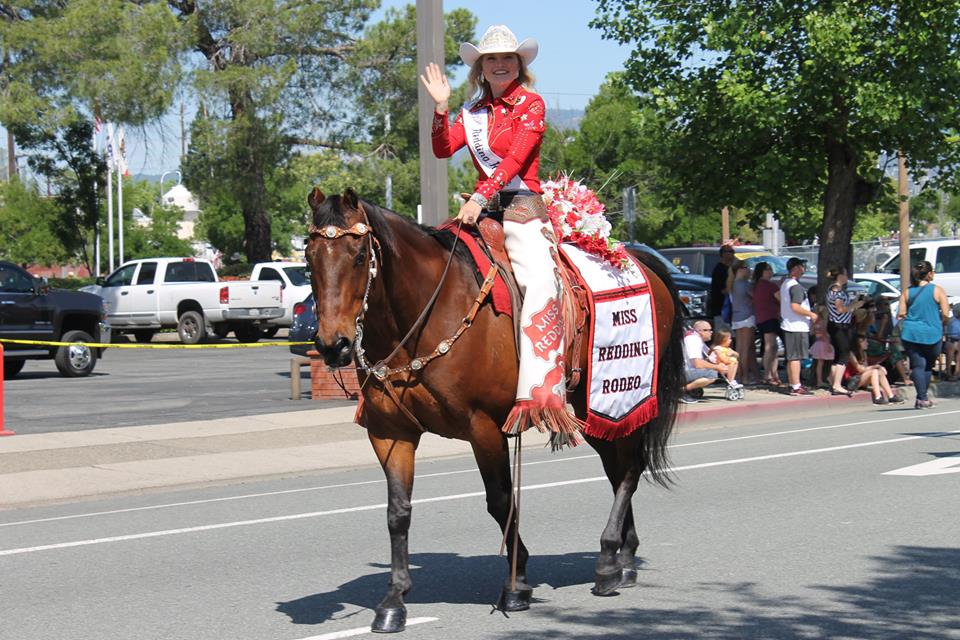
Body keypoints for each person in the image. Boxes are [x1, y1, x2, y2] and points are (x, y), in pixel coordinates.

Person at [421, 25, 578, 437]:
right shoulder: (471, 113)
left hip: (523, 205)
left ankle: (541, 390)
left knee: (540, 282)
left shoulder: (532, 104)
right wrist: (441, 108)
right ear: (481, 68)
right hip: (481, 209)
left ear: (520, 65)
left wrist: (480, 196)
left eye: (508, 57)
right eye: (492, 59)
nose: (501, 63)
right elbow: (442, 149)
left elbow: (514, 160)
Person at [897, 260, 952, 409]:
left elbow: (901, 314)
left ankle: (922, 397)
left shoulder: (907, 292)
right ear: (928, 274)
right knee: (927, 365)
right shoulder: (937, 290)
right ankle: (922, 397)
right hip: (932, 333)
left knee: (918, 365)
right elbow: (946, 314)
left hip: (910, 333)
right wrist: (942, 322)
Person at [780, 257, 818, 396]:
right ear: (795, 269)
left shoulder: (785, 283)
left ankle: (793, 384)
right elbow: (795, 306)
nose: (803, 268)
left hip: (789, 324)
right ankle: (796, 386)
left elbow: (780, 297)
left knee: (792, 357)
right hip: (796, 326)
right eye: (801, 266)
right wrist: (811, 314)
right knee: (795, 357)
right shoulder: (795, 286)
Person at [824, 266, 864, 397]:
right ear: (840, 276)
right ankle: (837, 385)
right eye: (845, 274)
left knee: (838, 355)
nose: (847, 277)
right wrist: (855, 305)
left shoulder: (835, 290)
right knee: (843, 355)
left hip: (837, 325)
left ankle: (833, 379)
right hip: (840, 326)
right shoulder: (837, 292)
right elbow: (841, 309)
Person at [843, 336, 905, 405]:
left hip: (862, 379)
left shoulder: (864, 353)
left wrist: (879, 368)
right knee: (874, 371)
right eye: (865, 341)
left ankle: (891, 396)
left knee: (879, 372)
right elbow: (860, 369)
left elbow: (866, 368)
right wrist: (876, 366)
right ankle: (878, 397)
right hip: (852, 381)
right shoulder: (851, 354)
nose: (867, 343)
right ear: (858, 343)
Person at [682, 320, 729, 403]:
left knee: (712, 370)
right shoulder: (693, 340)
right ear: (701, 331)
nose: (711, 332)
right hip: (684, 370)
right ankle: (681, 391)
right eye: (709, 330)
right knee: (712, 374)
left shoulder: (697, 339)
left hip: (687, 369)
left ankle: (690, 388)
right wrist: (717, 367)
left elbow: (709, 354)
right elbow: (697, 363)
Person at [727, 260, 759, 384]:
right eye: (747, 268)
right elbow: (755, 297)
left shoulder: (732, 283)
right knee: (745, 348)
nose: (749, 270)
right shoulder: (745, 284)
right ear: (741, 269)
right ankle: (744, 376)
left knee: (739, 347)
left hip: (736, 316)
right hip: (747, 316)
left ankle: (738, 375)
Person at [752, 261, 782, 386]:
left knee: (773, 347)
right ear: (762, 272)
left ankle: (774, 374)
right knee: (770, 346)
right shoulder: (770, 286)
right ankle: (768, 375)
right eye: (768, 269)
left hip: (761, 318)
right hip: (770, 317)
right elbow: (781, 299)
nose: (771, 272)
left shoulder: (757, 286)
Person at [710, 329, 744, 397]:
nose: (730, 340)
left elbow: (737, 355)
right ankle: (730, 381)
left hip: (726, 365)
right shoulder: (718, 349)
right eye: (729, 339)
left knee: (735, 361)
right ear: (722, 339)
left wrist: (733, 353)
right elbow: (724, 360)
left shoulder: (727, 348)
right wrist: (729, 357)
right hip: (719, 365)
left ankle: (731, 380)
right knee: (732, 361)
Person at [709, 244, 736, 329]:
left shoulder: (730, 269)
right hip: (721, 308)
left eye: (733, 252)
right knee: (722, 334)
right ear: (723, 254)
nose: (733, 254)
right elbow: (722, 290)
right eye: (730, 252)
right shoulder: (719, 270)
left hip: (730, 310)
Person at [809, 305, 834, 389]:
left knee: (820, 363)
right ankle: (829, 377)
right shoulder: (823, 321)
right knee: (832, 360)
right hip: (824, 343)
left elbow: (811, 332)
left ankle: (819, 380)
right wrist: (828, 345)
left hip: (817, 342)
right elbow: (824, 334)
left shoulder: (815, 322)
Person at [943, 304, 960, 381]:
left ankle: (953, 373)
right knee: (952, 346)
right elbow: (944, 332)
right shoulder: (950, 321)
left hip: (952, 342)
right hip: (950, 341)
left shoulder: (950, 320)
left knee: (954, 347)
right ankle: (952, 373)